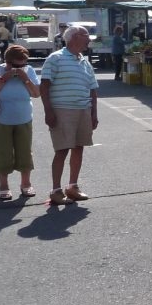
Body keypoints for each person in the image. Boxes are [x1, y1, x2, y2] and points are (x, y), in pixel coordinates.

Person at [39, 24, 99, 205]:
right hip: (62, 110)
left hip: (83, 110)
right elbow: (44, 85)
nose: (89, 39)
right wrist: (48, 111)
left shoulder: (84, 60)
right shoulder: (55, 58)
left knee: (79, 147)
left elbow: (93, 89)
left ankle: (72, 186)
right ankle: (56, 190)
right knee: (62, 150)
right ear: (73, 37)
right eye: (86, 35)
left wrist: (93, 114)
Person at [0, 45, 40, 201]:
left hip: (24, 117)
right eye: (16, 65)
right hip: (0, 118)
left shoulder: (28, 71)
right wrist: (4, 78)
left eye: (23, 64)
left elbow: (36, 93)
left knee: (25, 152)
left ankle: (26, 184)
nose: (20, 68)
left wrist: (25, 78)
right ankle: (3, 186)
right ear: (7, 62)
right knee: (1, 152)